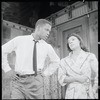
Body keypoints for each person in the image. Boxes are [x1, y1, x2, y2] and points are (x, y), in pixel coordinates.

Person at [2, 19, 60, 99]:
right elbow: (2, 50)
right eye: (46, 30)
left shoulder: (47, 46)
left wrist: (46, 73)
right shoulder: (19, 40)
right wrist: (7, 69)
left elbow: (56, 61)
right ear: (38, 28)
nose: (48, 33)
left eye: (49, 31)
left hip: (36, 83)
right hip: (18, 82)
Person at [58, 33, 98, 99]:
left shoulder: (90, 56)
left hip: (87, 92)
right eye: (68, 42)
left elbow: (97, 73)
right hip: (71, 93)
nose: (70, 42)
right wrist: (76, 78)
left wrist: (94, 89)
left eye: (73, 39)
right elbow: (61, 78)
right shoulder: (64, 61)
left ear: (79, 41)